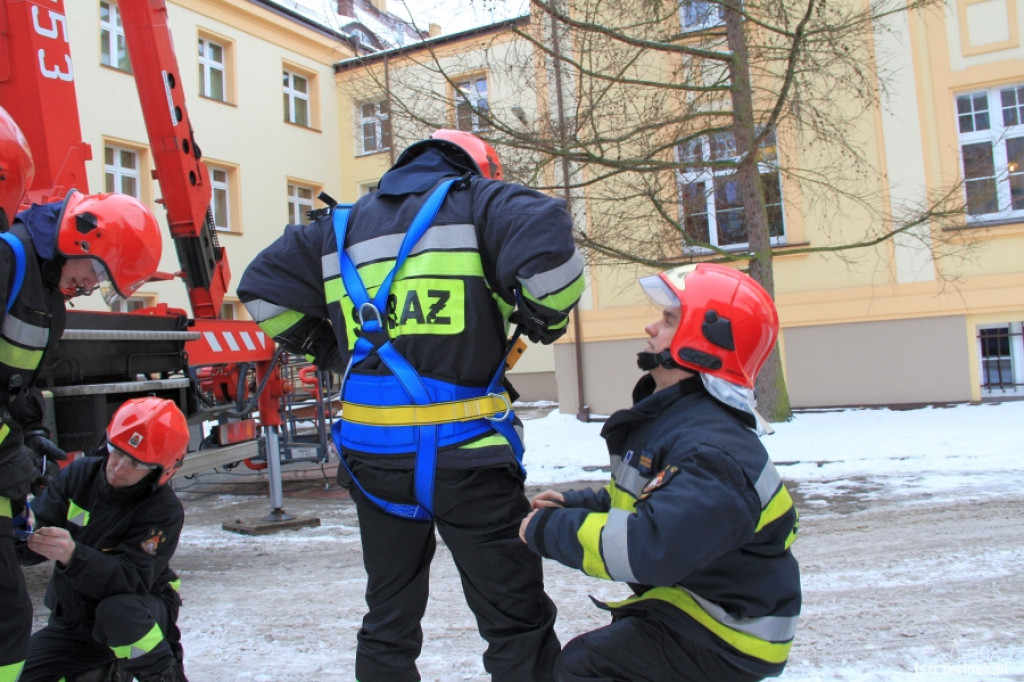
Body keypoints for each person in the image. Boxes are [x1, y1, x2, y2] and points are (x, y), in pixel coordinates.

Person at [238, 129, 585, 681]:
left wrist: (330, 349)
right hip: (468, 457)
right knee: (514, 620)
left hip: (375, 463)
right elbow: (549, 239)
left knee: (389, 618)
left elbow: (259, 289)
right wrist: (544, 313)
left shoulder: (336, 227)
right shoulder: (480, 201)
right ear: (474, 169)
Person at [520, 263, 802, 682]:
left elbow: (651, 547)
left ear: (706, 343)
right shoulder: (680, 420)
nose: (651, 328)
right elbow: (652, 502)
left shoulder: (711, 451)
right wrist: (574, 504)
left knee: (586, 666)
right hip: (701, 607)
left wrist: (548, 530)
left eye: (669, 320)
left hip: (732, 632)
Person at [1, 104, 164, 682]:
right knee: (7, 619)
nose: (90, 285)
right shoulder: (10, 260)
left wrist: (28, 430)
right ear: (81, 236)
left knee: (9, 616)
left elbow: (13, 379)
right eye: (96, 272)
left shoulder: (43, 288)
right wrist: (8, 450)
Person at [18, 397, 191, 682]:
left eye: (135, 462)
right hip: (74, 621)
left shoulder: (163, 510)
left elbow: (131, 578)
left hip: (137, 615)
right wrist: (18, 522)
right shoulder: (80, 475)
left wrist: (72, 555)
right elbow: (29, 543)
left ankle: (164, 675)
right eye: (117, 452)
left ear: (161, 470)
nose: (118, 467)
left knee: (118, 612)